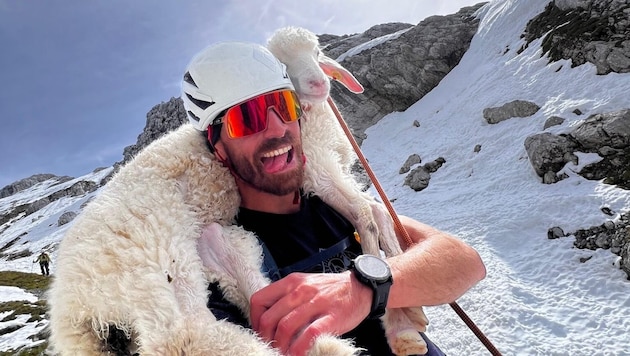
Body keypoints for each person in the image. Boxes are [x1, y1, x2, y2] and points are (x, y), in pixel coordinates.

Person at [181, 42, 486, 356]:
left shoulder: (341, 207)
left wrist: (360, 290)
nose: (277, 128)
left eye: (285, 105)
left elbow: (464, 261)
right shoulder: (217, 262)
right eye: (248, 117)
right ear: (217, 146)